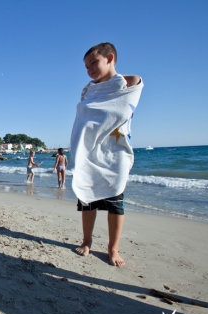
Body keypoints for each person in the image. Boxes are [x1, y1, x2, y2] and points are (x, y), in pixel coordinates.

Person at [70, 42, 143, 267]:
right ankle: (87, 241)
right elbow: (85, 119)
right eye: (86, 66)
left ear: (110, 58)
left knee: (115, 202)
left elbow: (120, 106)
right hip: (90, 152)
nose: (89, 69)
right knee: (87, 200)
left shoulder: (128, 83)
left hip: (116, 152)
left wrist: (111, 81)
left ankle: (113, 248)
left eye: (94, 62)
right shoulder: (89, 90)